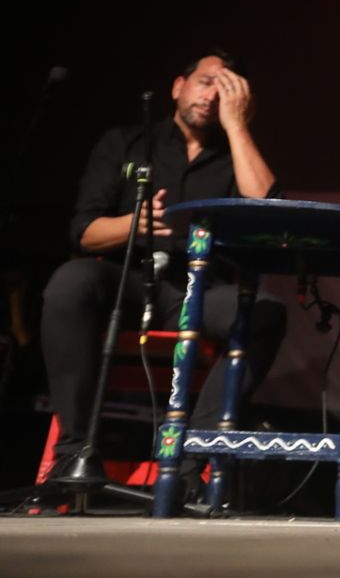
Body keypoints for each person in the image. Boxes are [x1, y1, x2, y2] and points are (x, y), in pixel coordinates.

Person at [40, 51, 288, 483]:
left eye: (227, 88)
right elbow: (83, 231)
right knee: (69, 283)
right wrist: (133, 225)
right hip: (127, 281)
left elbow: (268, 212)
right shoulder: (126, 143)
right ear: (178, 86)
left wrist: (237, 126)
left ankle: (192, 460)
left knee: (265, 311)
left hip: (197, 291)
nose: (212, 95)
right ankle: (74, 453)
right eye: (206, 81)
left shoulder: (237, 155)